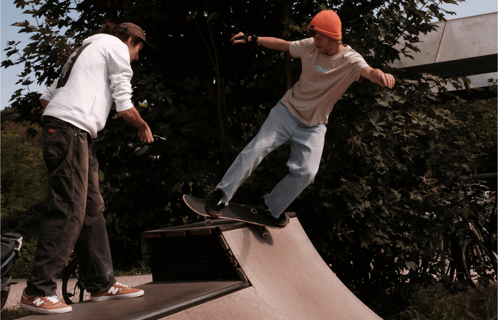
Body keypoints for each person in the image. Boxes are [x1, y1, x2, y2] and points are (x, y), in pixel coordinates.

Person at [205, 10, 395, 227]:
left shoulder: (351, 60)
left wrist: (381, 77)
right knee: (255, 150)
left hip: (314, 126)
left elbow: (370, 71)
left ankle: (271, 207)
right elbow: (282, 44)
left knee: (307, 172)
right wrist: (252, 38)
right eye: (314, 38)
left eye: (320, 38)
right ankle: (221, 194)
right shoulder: (310, 46)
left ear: (333, 36)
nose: (315, 42)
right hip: (286, 112)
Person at [20, 22, 154, 315]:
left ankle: (100, 283)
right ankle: (37, 290)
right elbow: (123, 102)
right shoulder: (116, 48)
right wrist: (143, 126)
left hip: (74, 133)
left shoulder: (84, 51)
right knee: (69, 208)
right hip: (71, 131)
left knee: (91, 209)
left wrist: (57, 127)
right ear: (130, 40)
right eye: (138, 50)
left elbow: (46, 98)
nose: (137, 57)